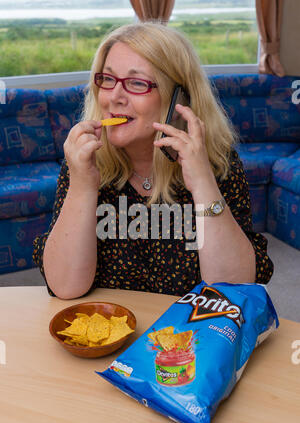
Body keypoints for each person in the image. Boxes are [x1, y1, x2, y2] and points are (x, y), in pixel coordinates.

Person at [32, 22, 273, 300]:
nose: (114, 98)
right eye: (108, 79)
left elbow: (232, 290)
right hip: (111, 337)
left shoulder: (218, 164)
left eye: (136, 83)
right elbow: (65, 287)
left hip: (189, 338)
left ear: (178, 98)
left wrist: (204, 184)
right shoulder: (85, 163)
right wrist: (83, 186)